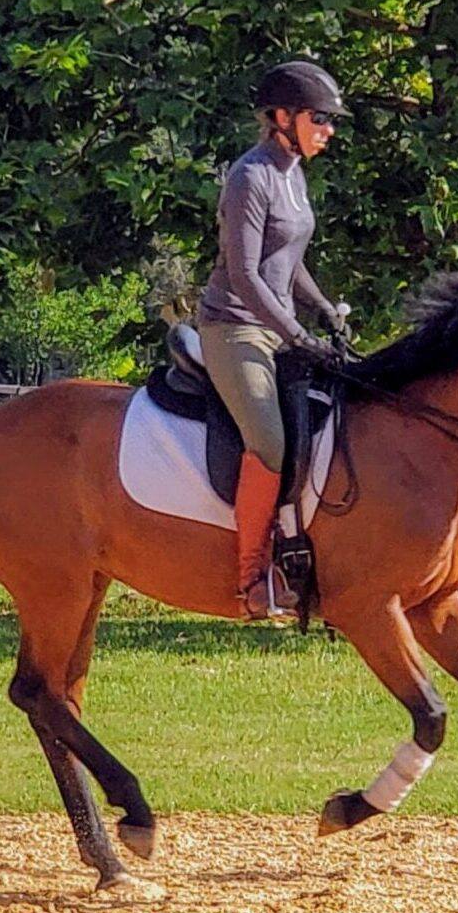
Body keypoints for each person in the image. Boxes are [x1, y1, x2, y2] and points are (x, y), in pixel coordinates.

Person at [195, 59, 350, 619]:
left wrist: (325, 309)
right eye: (321, 119)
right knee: (269, 439)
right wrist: (295, 333)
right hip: (235, 326)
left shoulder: (294, 172)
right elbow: (245, 273)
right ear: (282, 117)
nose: (328, 131)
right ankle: (252, 578)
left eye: (331, 121)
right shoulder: (250, 176)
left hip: (281, 327)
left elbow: (290, 260)